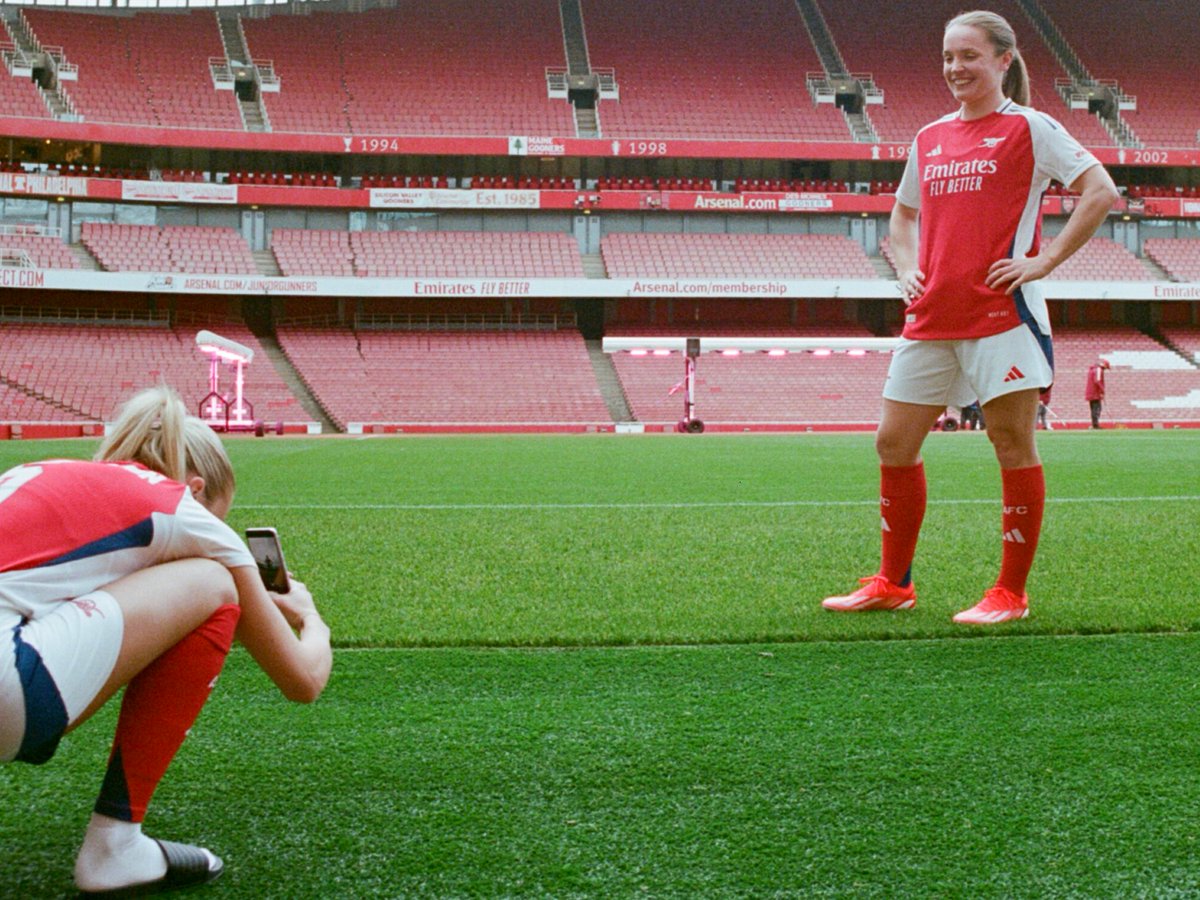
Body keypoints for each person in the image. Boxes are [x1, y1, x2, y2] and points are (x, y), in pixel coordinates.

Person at [822, 10, 1118, 624]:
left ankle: (1010, 592)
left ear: (1004, 60)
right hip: (931, 317)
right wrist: (906, 269)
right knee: (893, 444)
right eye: (948, 58)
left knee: (1010, 443)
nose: (956, 68)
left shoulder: (1030, 128)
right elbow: (902, 219)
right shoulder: (929, 138)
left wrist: (1044, 262)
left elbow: (1101, 192)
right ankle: (894, 582)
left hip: (1002, 316)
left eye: (969, 56)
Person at [0, 386, 333, 895]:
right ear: (196, 490)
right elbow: (303, 680)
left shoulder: (42, 474)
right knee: (216, 583)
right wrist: (311, 619)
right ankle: (115, 845)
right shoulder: (179, 507)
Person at [1085, 359, 1110, 428]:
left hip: (1090, 393)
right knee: (1097, 409)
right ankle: (1095, 425)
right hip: (1095, 393)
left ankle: (1094, 424)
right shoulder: (1098, 369)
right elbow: (1098, 381)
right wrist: (1102, 390)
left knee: (1093, 409)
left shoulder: (1093, 369)